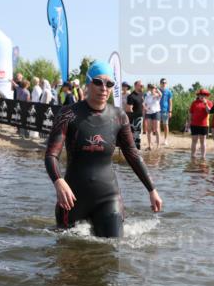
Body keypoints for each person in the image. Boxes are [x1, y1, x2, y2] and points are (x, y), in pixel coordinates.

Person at [44, 60, 162, 238]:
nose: (104, 88)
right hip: (72, 198)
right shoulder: (68, 114)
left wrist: (152, 189)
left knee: (113, 248)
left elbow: (133, 155)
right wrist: (58, 181)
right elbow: (51, 155)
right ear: (87, 83)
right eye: (98, 82)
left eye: (109, 84)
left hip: (108, 198)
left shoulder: (119, 116)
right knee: (68, 251)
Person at [188, 89, 212, 158]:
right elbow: (191, 113)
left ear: (206, 96)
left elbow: (209, 112)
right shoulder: (194, 102)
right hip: (194, 124)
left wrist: (205, 104)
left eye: (204, 95)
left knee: (203, 141)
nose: (202, 96)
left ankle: (203, 157)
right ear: (198, 95)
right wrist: (189, 122)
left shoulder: (209, 102)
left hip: (204, 125)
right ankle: (193, 156)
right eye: (201, 95)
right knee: (194, 141)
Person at [125, 81, 144, 150]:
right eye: (140, 85)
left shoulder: (141, 94)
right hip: (134, 119)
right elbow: (128, 109)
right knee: (134, 134)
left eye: (142, 85)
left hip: (140, 118)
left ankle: (137, 149)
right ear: (135, 86)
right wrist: (133, 118)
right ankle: (133, 149)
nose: (142, 87)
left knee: (138, 134)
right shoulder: (131, 96)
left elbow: (142, 105)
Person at [143, 83, 161, 151]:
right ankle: (149, 145)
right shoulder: (147, 96)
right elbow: (144, 104)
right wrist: (146, 108)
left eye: (153, 88)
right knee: (148, 130)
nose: (152, 89)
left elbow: (161, 94)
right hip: (149, 113)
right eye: (151, 88)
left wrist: (156, 88)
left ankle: (158, 145)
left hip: (156, 113)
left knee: (156, 129)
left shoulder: (157, 95)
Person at [158, 78, 173, 146]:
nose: (163, 84)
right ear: (160, 83)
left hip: (165, 110)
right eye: (162, 82)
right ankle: (158, 139)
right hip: (157, 110)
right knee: (157, 126)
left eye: (165, 82)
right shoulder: (157, 91)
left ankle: (166, 139)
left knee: (165, 125)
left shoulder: (169, 92)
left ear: (166, 84)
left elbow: (170, 102)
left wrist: (170, 111)